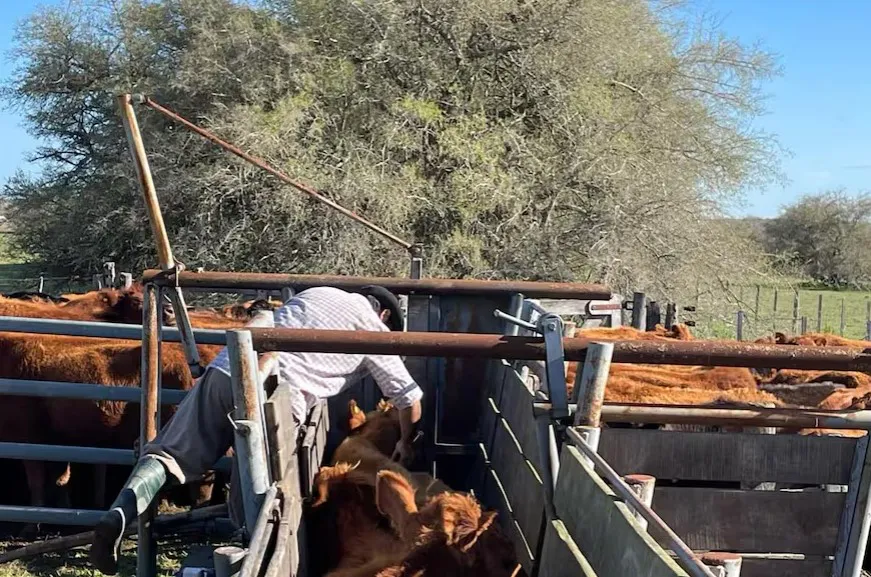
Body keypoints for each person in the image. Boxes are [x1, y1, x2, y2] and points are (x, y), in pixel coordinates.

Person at [89, 285, 423, 575]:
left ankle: (121, 511)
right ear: (384, 317)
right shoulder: (373, 328)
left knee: (169, 454)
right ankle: (244, 550)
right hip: (274, 397)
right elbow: (408, 398)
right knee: (264, 499)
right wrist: (407, 443)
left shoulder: (320, 293)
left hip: (228, 367)